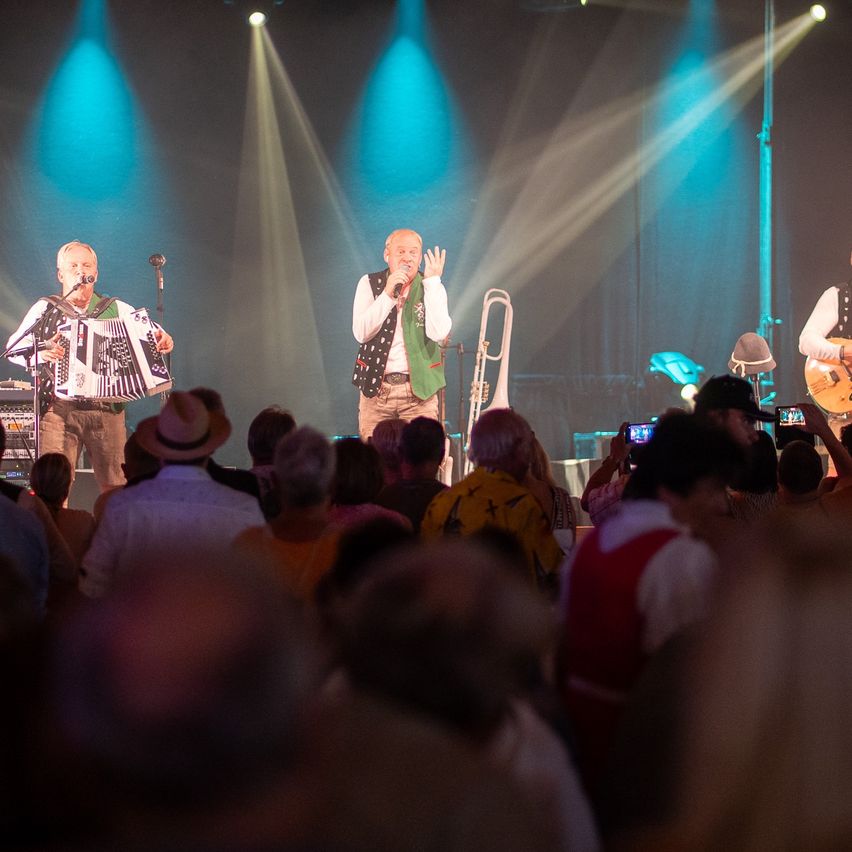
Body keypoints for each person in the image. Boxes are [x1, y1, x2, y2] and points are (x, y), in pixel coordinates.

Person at [4, 241, 174, 493]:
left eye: (86, 265)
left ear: (96, 272)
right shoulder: (46, 308)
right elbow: (13, 349)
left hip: (107, 409)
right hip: (59, 409)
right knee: (53, 487)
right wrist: (41, 353)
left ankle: (111, 532)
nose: (80, 271)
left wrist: (163, 339)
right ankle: (58, 531)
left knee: (115, 484)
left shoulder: (117, 308)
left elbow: (154, 334)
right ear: (61, 274)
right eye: (73, 266)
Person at [80, 392, 264, 598]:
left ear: (158, 446)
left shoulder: (123, 507)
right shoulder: (245, 507)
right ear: (211, 444)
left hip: (140, 624)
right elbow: (263, 589)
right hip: (220, 624)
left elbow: (92, 587)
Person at [421, 408, 563, 597]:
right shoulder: (522, 505)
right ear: (517, 451)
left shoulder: (442, 502)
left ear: (474, 452)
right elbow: (548, 578)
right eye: (526, 450)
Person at [352, 229, 451, 439]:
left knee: (420, 458)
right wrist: (387, 294)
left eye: (414, 252)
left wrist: (433, 284)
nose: (408, 257)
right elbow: (361, 333)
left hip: (419, 393)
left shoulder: (431, 286)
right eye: (401, 251)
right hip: (377, 391)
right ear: (387, 255)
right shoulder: (369, 283)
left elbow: (440, 333)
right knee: (375, 463)